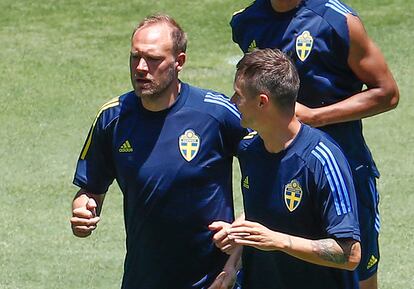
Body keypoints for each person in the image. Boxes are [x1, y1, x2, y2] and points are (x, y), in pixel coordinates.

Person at [230, 1, 399, 288]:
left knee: (358, 271)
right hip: (280, 165)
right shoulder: (246, 21)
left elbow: (387, 93)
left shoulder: (338, 20)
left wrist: (316, 117)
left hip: (344, 165)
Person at [70, 14, 247, 289]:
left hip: (213, 281)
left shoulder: (215, 114)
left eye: (153, 59)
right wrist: (82, 209)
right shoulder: (112, 118)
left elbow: (274, 169)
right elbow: (90, 189)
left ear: (180, 62)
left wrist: (241, 230)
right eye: (135, 57)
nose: (141, 68)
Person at [211, 48, 361, 289]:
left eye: (238, 95)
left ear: (262, 102)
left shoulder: (322, 159)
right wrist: (233, 258)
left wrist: (278, 241)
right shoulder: (250, 149)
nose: (233, 102)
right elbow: (262, 216)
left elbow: (350, 254)